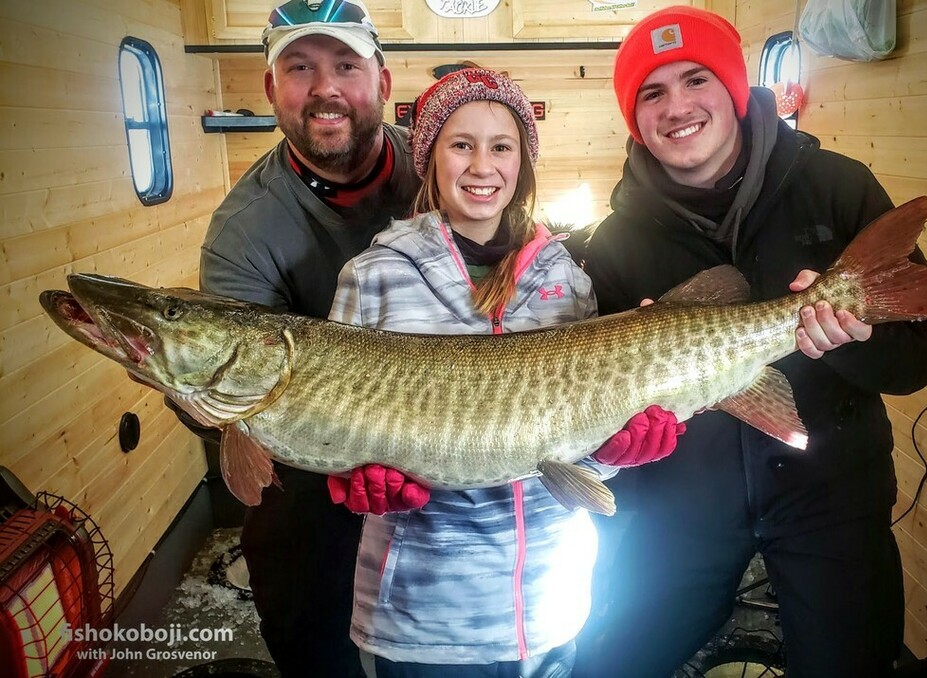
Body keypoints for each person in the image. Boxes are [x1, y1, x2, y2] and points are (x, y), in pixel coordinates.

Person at [572, 7, 927, 678]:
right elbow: (591, 410)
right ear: (634, 119)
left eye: (695, 79)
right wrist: (618, 443)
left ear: (736, 89)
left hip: (830, 503)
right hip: (678, 519)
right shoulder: (615, 246)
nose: (677, 106)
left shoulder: (837, 188)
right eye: (651, 93)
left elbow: (921, 357)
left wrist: (853, 340)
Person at [327, 67, 686, 678]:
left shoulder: (567, 280)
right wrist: (356, 477)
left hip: (552, 608)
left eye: (501, 146)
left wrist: (614, 452)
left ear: (522, 161)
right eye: (460, 144)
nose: (481, 165)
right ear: (431, 158)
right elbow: (336, 419)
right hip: (425, 622)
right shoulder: (373, 276)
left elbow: (573, 442)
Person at [179, 1, 420, 675]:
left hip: (449, 472)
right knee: (318, 647)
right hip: (313, 488)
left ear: (383, 82)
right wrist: (186, 393)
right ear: (270, 89)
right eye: (300, 68)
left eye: (346, 65)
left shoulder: (446, 169)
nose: (325, 88)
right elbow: (231, 390)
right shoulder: (245, 231)